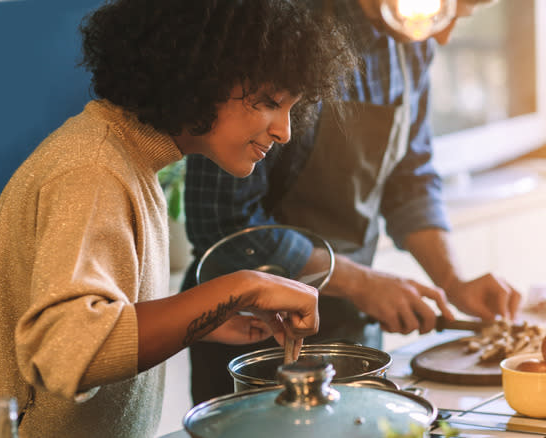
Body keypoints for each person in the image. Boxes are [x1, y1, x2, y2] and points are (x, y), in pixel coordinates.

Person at [0, 0, 357, 437]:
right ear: (202, 75)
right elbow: (68, 350)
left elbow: (102, 313)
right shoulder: (93, 168)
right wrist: (244, 285)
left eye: (291, 109)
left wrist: (205, 319)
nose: (285, 131)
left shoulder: (127, 160)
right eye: (267, 102)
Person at [182, 0, 522, 403]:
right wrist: (359, 282)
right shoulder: (273, 33)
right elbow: (225, 224)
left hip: (350, 331)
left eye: (460, 18)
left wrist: (452, 282)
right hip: (253, 338)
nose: (444, 35)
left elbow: (410, 178)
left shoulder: (412, 44)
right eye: (442, 9)